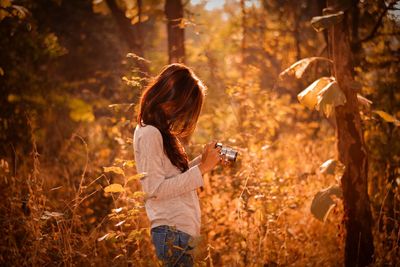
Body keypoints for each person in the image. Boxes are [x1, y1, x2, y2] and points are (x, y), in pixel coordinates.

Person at [133, 63, 221, 266]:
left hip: (179, 230)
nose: (183, 114)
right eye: (185, 107)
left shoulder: (159, 132)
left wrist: (203, 160)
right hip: (171, 231)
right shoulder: (149, 133)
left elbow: (172, 179)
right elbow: (155, 189)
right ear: (172, 99)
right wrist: (202, 169)